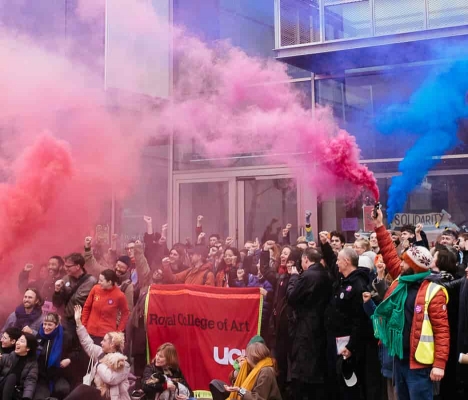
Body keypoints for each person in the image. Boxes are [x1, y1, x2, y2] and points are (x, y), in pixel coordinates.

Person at [372, 208, 450, 400]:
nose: (401, 264)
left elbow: (442, 331)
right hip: (399, 359)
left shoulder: (434, 291)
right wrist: (379, 226)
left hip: (420, 365)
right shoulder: (402, 280)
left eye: (406, 261)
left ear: (415, 266)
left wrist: (439, 364)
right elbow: (390, 255)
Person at [287, 247, 331, 400]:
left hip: (306, 327)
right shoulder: (326, 274)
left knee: (304, 371)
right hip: (321, 325)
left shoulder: (307, 276)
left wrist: (293, 278)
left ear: (306, 259)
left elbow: (292, 297)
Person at [64, 305, 130, 400]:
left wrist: (99, 364)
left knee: (83, 389)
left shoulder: (124, 363)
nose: (101, 343)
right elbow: (87, 343)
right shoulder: (100, 352)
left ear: (112, 344)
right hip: (97, 392)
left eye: (104, 341)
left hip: (110, 397)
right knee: (81, 387)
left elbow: (110, 379)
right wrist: (78, 322)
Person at [81, 269, 130, 344]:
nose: (98, 282)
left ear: (109, 282)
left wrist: (119, 331)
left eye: (101, 281)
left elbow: (125, 313)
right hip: (89, 332)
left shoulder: (119, 295)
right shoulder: (95, 289)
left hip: (106, 336)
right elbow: (87, 307)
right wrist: (84, 326)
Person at [52, 253, 97, 332]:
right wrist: (57, 291)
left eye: (68, 266)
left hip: (83, 323)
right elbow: (57, 304)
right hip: (67, 323)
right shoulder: (65, 279)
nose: (65, 268)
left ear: (78, 266)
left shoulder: (91, 281)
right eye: (65, 266)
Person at [34, 313, 72, 400]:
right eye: (45, 324)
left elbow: (77, 352)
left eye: (50, 324)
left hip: (58, 375)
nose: (46, 327)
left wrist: (69, 359)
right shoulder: (39, 336)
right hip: (41, 377)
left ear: (57, 325)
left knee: (63, 390)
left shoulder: (65, 336)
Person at [0, 333, 38, 400]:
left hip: (16, 392)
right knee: (12, 377)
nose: (17, 343)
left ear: (28, 348)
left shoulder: (32, 364)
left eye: (22, 341)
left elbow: (30, 381)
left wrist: (26, 398)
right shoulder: (7, 357)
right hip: (1, 387)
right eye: (18, 340)